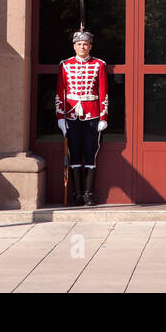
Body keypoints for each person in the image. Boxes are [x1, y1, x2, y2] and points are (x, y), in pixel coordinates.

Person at [55, 29, 108, 206]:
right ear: (74, 46)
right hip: (71, 116)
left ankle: (88, 194)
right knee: (74, 153)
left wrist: (103, 117)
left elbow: (103, 92)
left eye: (85, 44)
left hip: (92, 115)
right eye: (79, 44)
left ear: (90, 46)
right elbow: (60, 92)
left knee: (91, 153)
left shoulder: (99, 65)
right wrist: (60, 116)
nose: (82, 46)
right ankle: (76, 194)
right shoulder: (65, 65)